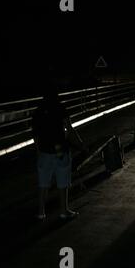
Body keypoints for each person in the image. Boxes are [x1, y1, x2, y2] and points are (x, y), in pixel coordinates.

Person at [32, 84, 86, 220]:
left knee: (43, 183)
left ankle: (41, 212)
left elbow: (36, 135)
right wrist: (81, 144)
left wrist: (39, 152)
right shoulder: (60, 107)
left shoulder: (38, 111)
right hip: (59, 149)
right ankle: (64, 210)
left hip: (44, 151)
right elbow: (70, 128)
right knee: (63, 180)